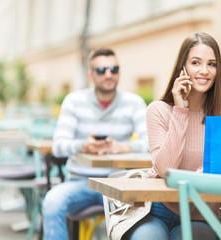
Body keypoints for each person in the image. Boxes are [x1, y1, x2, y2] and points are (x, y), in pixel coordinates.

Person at [122, 32, 221, 240]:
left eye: (212, 64)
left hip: (203, 216)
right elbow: (166, 169)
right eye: (196, 63)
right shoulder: (159, 110)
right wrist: (180, 110)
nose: (205, 71)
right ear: (183, 67)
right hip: (158, 211)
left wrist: (197, 176)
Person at [42, 47, 149, 240]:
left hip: (120, 183)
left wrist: (123, 147)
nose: (108, 74)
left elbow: (152, 143)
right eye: (101, 70)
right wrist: (84, 145)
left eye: (114, 69)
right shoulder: (74, 101)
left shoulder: (134, 102)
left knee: (147, 218)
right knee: (51, 202)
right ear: (90, 75)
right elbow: (58, 145)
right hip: (79, 182)